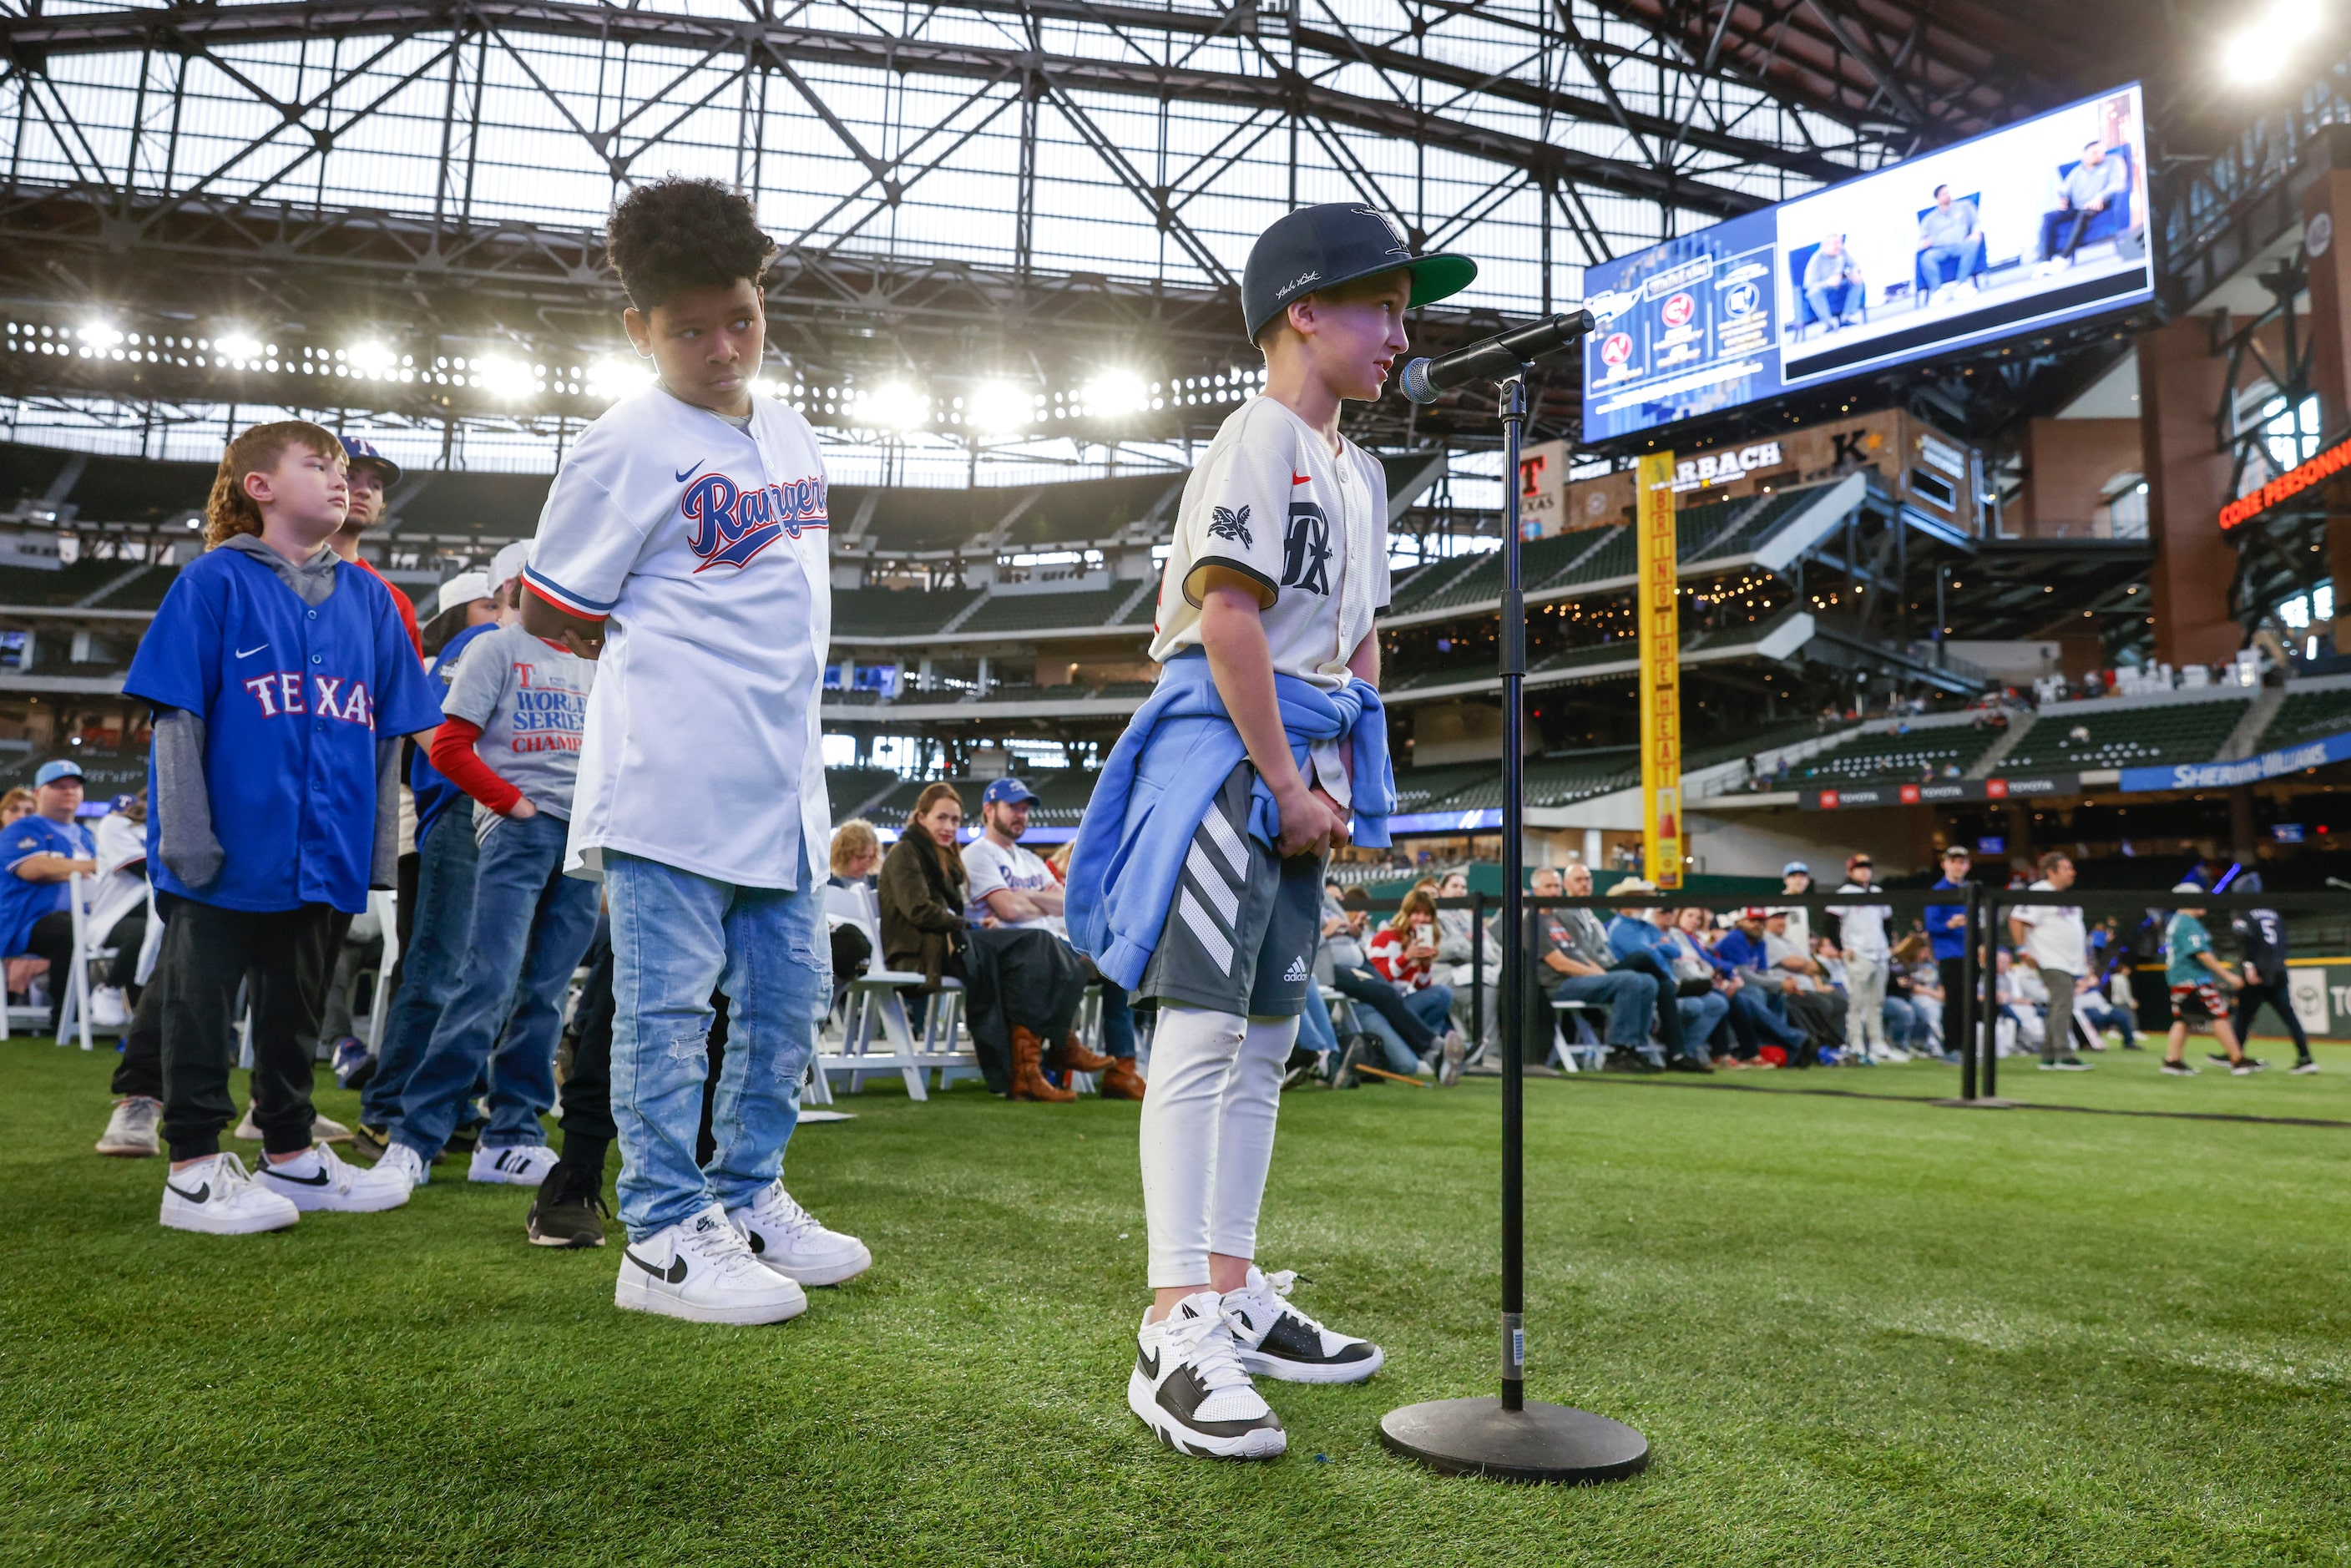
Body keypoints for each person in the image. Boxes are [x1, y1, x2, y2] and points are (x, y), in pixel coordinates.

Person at [1067, 200, 1462, 1459]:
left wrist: (1336, 783)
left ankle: (1229, 1286)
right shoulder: (1257, 434)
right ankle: (1172, 1315)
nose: (1403, 332)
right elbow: (1228, 616)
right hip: (1228, 759)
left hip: (1299, 759)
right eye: (1383, 304)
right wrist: (1292, 780)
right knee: (1196, 1033)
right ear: (1304, 308)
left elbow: (1354, 640)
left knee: (1267, 1035)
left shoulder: (1360, 467)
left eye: (1406, 310)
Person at [519, 176, 868, 1323]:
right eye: (688, 331)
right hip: (670, 772)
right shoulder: (622, 442)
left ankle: (749, 1192)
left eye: (742, 320)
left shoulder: (791, 426)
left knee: (784, 1005)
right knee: (666, 1014)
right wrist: (666, 663)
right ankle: (664, 1230)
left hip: (784, 773)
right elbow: (549, 607)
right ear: (637, 329)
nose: (722, 348)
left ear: (762, 301)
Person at [126, 419, 446, 1232]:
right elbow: (176, 719)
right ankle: (193, 1168)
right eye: (318, 465)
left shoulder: (372, 599)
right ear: (260, 487)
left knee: (295, 1012)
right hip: (226, 850)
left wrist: (372, 851)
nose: (341, 480)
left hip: (327, 852)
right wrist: (186, 841)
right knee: (199, 1006)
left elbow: (384, 740)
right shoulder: (212, 582)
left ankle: (292, 1154)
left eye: (344, 469)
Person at [372, 550, 600, 1196]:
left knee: (547, 993)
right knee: (488, 984)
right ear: (513, 587)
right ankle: (416, 1137)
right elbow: (446, 744)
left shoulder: (594, 660)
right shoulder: (495, 649)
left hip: (577, 842)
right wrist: (513, 805)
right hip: (521, 832)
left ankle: (511, 1135)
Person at [356, 549, 517, 1155]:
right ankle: (390, 1106)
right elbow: (438, 746)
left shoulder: (528, 647)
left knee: (479, 973)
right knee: (438, 967)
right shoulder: (476, 641)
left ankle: (448, 1104)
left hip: (494, 819)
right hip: (460, 815)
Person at [963, 776, 1144, 1099]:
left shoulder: (1030, 859)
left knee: (1119, 963)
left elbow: (1069, 905)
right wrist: (1039, 903)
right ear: (989, 810)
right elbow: (1009, 911)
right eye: (1012, 808)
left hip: (1051, 947)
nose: (1021, 815)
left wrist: (1027, 895)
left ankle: (1123, 1069)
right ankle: (1049, 1055)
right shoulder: (978, 854)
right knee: (1050, 956)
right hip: (1013, 952)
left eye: (1025, 809)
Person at [2, 760, 100, 1034]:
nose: (69, 792)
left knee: (127, 931)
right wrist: (94, 864)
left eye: (74, 786)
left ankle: (117, 1007)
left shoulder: (85, 835)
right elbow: (36, 868)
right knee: (69, 932)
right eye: (58, 786)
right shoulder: (21, 829)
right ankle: (66, 1018)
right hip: (25, 922)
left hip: (81, 917)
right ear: (38, 793)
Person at [1529, 866, 1660, 1068]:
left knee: (1648, 981)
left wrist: (1602, 975)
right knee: (1631, 980)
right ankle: (1618, 1051)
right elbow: (1560, 964)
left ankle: (1634, 1047)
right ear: (1536, 891)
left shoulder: (1555, 920)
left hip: (1579, 978)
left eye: (1556, 886)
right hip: (1559, 986)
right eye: (1549, 886)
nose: (1554, 891)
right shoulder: (1532, 921)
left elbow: (1579, 955)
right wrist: (1598, 975)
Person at [1607, 888, 1723, 1068]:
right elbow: (1643, 955)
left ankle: (1685, 1050)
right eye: (1636, 899)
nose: (1642, 904)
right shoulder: (1620, 928)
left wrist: (1654, 946)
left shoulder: (1646, 927)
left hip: (1659, 981)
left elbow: (1675, 950)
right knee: (1686, 999)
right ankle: (1676, 1052)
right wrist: (1656, 946)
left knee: (1716, 1003)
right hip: (1641, 982)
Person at [332, 436, 422, 657]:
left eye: (376, 485)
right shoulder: (265, 575)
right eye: (350, 477)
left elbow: (407, 690)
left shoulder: (393, 600)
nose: (365, 491)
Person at [1365, 886, 1465, 1082]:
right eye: (1416, 913)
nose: (1421, 919)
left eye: (1427, 914)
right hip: (1383, 1008)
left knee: (1441, 995)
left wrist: (1426, 965)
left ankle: (1435, 1051)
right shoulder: (1386, 937)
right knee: (1407, 1064)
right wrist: (1406, 957)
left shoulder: (1418, 940)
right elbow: (1377, 981)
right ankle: (1439, 1052)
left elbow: (1422, 988)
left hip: (1404, 1004)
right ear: (1407, 914)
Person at [2160, 883, 2260, 1076]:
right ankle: (2238, 1060)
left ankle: (2172, 1061)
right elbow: (2201, 954)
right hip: (2193, 979)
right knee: (2219, 1015)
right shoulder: (2187, 922)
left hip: (2179, 979)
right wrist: (2228, 975)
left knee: (2183, 1020)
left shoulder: (2177, 921)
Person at [2010, 850, 2090, 1071]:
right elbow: (2017, 919)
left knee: (2058, 1006)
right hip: (2050, 959)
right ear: (2052, 872)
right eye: (2067, 868)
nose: (2072, 872)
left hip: (2068, 962)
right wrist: (2022, 950)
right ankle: (2064, 1055)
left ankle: (2048, 1055)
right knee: (2063, 1006)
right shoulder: (2039, 892)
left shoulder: (2066, 896)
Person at [2229, 873, 2317, 1075]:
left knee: (2243, 1015)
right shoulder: (2274, 913)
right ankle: (2306, 1059)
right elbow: (2284, 942)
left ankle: (2236, 1056)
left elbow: (2244, 938)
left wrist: (2249, 964)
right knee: (2290, 1017)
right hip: (2278, 970)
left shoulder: (2243, 911)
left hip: (2257, 971)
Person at [1828, 853, 1891, 1062]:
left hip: (1879, 954)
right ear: (1851, 871)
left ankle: (1877, 1042)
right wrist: (1840, 948)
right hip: (1858, 954)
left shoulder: (1877, 892)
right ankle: (1856, 1042)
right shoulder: (1845, 893)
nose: (1865, 871)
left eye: (1867, 867)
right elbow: (1830, 921)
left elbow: (1887, 921)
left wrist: (1887, 945)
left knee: (1877, 1001)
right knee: (1856, 1002)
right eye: (1860, 867)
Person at [2037, 139, 2127, 274]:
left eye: (2101, 151)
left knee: (2084, 213)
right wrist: (2062, 199)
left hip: (2100, 204)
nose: (2099, 154)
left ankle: (2064, 257)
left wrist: (2100, 197)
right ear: (2084, 156)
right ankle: (2045, 261)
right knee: (2049, 217)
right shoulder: (2077, 172)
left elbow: (2118, 184)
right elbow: (2063, 190)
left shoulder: (2113, 162)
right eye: (2095, 152)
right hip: (2076, 206)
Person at [1924, 845, 1973, 1060]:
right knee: (1954, 1001)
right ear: (1945, 864)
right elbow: (1931, 926)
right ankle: (1952, 1047)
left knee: (1967, 1002)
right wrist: (1950, 925)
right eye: (1954, 861)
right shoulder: (1939, 891)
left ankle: (1964, 1047)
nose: (1958, 865)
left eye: (1962, 862)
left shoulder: (1969, 890)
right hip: (1949, 953)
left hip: (1967, 952)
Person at [1915, 184, 1985, 301]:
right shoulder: (1930, 219)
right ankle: (1937, 291)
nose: (1947, 196)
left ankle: (1962, 284)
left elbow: (1976, 222)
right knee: (1926, 258)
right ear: (1937, 198)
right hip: (1939, 249)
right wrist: (1924, 244)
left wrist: (1975, 233)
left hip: (1960, 244)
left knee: (1972, 246)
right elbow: (1920, 241)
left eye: (1948, 193)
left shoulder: (1964, 207)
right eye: (1943, 194)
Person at [1803, 234, 1865, 331]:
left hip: (1840, 284)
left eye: (1840, 243)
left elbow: (1854, 264)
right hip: (1824, 288)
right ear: (1825, 246)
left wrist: (1854, 272)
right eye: (1836, 243)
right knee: (1813, 293)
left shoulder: (1842, 251)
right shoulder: (1816, 260)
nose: (1839, 246)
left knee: (1858, 282)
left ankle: (1846, 318)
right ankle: (1829, 323)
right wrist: (1827, 283)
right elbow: (1808, 285)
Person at [828, 818, 880, 888]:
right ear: (844, 854)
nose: (866, 862)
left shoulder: (878, 882)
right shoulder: (827, 885)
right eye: (861, 856)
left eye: (871, 857)